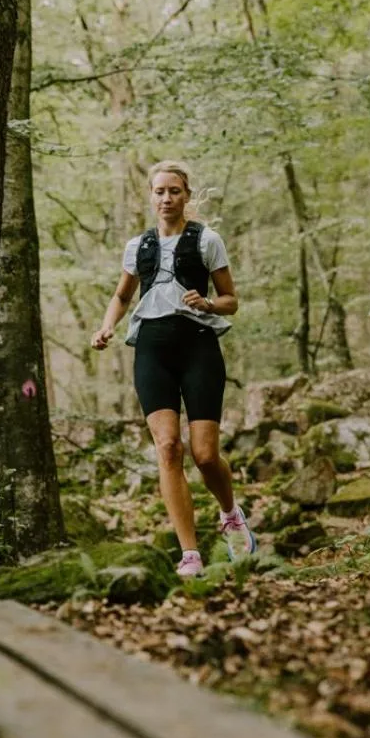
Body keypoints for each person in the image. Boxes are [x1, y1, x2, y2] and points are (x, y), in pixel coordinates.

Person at [90, 160, 254, 578]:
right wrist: (108, 326)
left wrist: (209, 303)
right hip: (152, 350)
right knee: (168, 448)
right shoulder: (137, 247)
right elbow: (122, 297)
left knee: (204, 454)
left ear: (186, 195)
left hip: (198, 348)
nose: (167, 198)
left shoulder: (207, 240)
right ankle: (190, 554)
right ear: (151, 196)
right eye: (160, 191)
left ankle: (230, 513)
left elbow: (231, 299)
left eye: (175, 191)